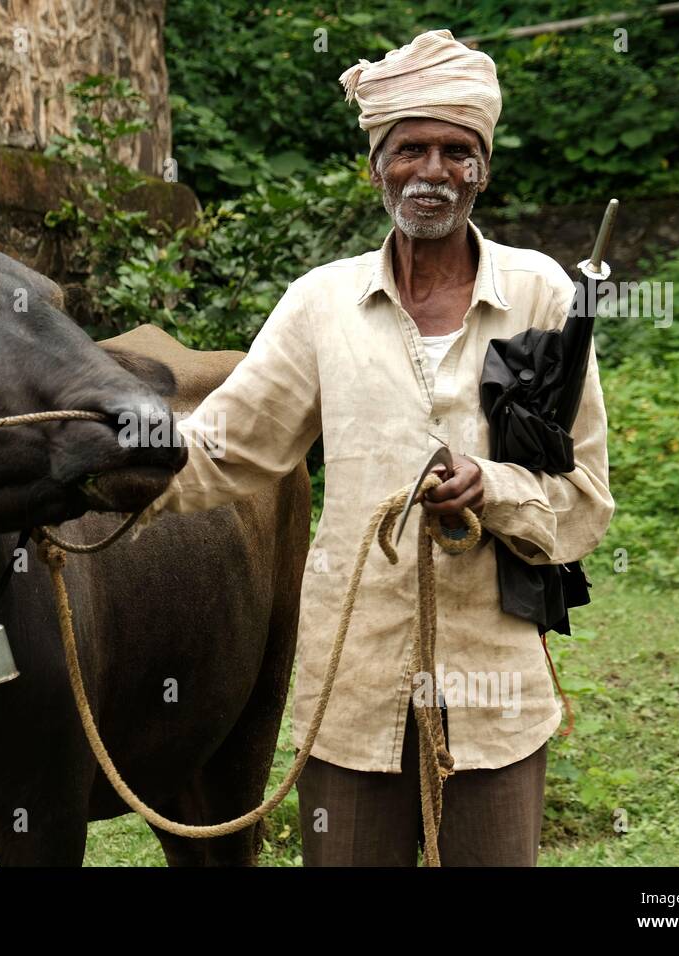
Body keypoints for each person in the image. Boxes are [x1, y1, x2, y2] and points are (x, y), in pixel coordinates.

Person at [138, 29, 615, 865]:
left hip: (493, 687)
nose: (432, 170)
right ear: (376, 167)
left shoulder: (542, 293)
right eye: (410, 149)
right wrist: (101, 457)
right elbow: (224, 448)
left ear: (483, 169)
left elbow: (583, 501)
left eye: (457, 151)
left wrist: (492, 487)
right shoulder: (320, 302)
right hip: (351, 687)